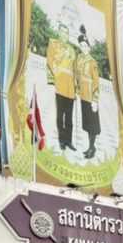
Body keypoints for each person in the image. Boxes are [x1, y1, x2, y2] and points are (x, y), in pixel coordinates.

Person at [46, 22, 77, 151]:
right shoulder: (53, 44)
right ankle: (62, 141)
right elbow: (49, 62)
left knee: (69, 118)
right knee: (60, 116)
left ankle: (69, 141)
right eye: (62, 32)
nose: (64, 35)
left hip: (70, 88)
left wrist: (76, 89)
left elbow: (75, 70)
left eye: (66, 33)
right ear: (59, 33)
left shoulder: (72, 50)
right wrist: (51, 82)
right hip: (59, 84)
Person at [75, 27, 100, 159]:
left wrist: (95, 100)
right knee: (87, 123)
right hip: (83, 96)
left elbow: (96, 81)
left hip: (91, 96)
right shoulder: (79, 60)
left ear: (89, 47)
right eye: (82, 46)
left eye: (85, 46)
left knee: (92, 124)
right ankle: (90, 146)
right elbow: (77, 76)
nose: (83, 48)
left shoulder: (92, 62)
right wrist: (77, 91)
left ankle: (92, 147)